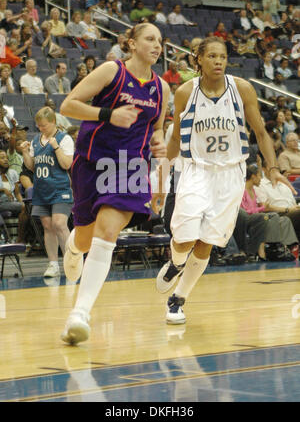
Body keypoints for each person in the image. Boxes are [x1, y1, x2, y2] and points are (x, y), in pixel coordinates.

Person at [152, 36, 295, 325]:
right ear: (199, 59)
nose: (219, 61)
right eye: (213, 56)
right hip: (196, 169)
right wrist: (161, 183)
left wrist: (272, 166)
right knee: (184, 237)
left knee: (207, 242)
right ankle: (176, 263)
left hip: (231, 173)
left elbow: (261, 133)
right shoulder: (185, 92)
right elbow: (177, 137)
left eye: (223, 57)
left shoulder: (241, 89)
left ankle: (178, 299)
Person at [59, 22, 169, 345]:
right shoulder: (112, 71)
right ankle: (73, 246)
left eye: (160, 41)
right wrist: (108, 114)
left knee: (108, 232)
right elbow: (68, 106)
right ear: (131, 44)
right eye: (150, 38)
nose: (157, 45)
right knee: (85, 237)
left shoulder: (160, 88)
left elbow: (157, 130)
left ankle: (79, 314)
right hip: (92, 161)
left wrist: (160, 148)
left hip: (130, 167)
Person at [21, 107, 74, 278]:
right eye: (39, 126)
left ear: (53, 122)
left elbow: (67, 164)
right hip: (42, 190)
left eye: (43, 125)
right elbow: (31, 166)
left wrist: (56, 147)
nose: (40, 128)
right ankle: (53, 264)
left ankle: (70, 262)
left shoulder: (64, 139)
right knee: (47, 227)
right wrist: (24, 152)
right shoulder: (36, 140)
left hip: (60, 189)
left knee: (59, 224)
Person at [241, 164, 297, 259]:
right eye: (259, 176)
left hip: (257, 217)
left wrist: (260, 209)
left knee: (284, 220)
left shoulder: (253, 190)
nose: (260, 179)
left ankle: (288, 247)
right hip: (247, 219)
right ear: (253, 176)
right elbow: (244, 211)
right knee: (273, 216)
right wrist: (262, 208)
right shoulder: (242, 190)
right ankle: (273, 247)